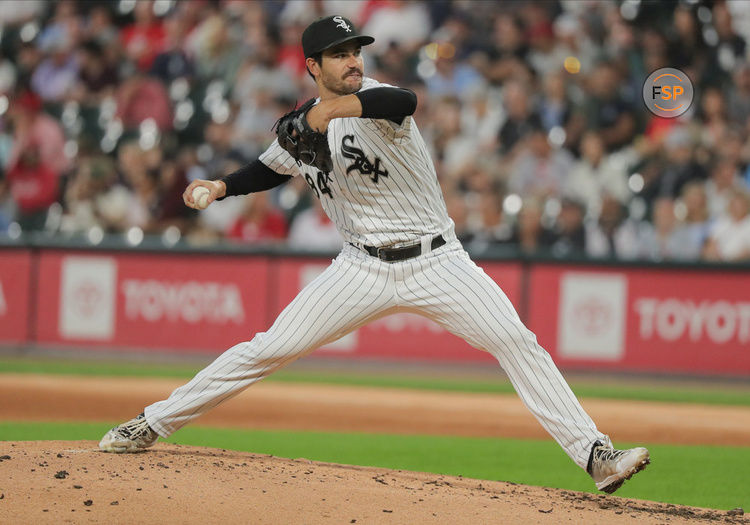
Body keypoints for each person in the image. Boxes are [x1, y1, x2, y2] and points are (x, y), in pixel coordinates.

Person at [99, 15, 649, 495]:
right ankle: (151, 422)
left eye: (356, 51)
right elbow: (271, 166)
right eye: (339, 55)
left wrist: (323, 115)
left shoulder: (379, 104)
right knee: (267, 349)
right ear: (312, 64)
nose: (352, 61)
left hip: (437, 261)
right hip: (359, 268)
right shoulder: (305, 123)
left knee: (514, 339)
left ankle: (595, 454)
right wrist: (220, 187)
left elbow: (404, 100)